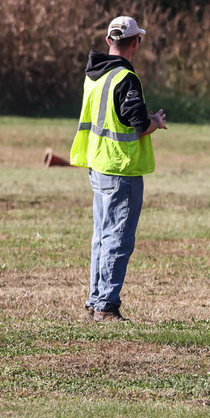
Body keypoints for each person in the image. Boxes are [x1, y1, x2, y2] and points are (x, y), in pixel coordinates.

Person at [70, 16, 168, 322]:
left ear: (108, 41)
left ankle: (95, 300)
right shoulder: (126, 77)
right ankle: (106, 306)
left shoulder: (95, 74)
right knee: (118, 239)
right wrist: (155, 122)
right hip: (121, 167)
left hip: (98, 163)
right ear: (135, 42)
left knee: (101, 237)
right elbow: (138, 124)